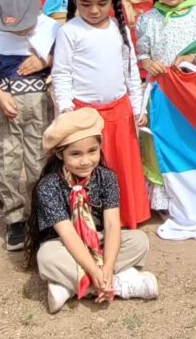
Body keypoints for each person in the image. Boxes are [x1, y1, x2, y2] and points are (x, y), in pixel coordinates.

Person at [26, 109, 159, 314]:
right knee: (46, 256)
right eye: (75, 154)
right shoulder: (48, 186)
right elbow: (67, 233)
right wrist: (94, 270)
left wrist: (106, 266)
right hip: (64, 244)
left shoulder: (107, 178)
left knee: (139, 240)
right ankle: (118, 284)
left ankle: (69, 286)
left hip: (99, 239)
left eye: (92, 151)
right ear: (60, 154)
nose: (86, 161)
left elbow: (113, 225)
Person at [51, 0, 148, 229]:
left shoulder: (120, 28)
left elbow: (131, 72)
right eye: (85, 3)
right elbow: (61, 74)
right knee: (91, 169)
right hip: (85, 117)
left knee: (121, 169)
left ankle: (127, 217)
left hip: (120, 113)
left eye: (102, 3)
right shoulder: (70, 32)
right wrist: (67, 110)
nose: (94, 10)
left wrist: (138, 107)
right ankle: (92, 222)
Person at [0, 0, 59, 251]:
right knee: (7, 162)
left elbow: (68, 58)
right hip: (6, 107)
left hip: (39, 107)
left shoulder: (51, 29)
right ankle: (14, 218)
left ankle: (42, 214)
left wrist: (46, 60)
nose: (20, 32)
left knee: (39, 160)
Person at [134, 0, 196, 210]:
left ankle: (191, 196)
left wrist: (193, 58)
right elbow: (142, 53)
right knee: (158, 142)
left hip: (191, 91)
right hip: (160, 93)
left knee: (189, 140)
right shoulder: (147, 20)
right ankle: (164, 200)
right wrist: (147, 63)